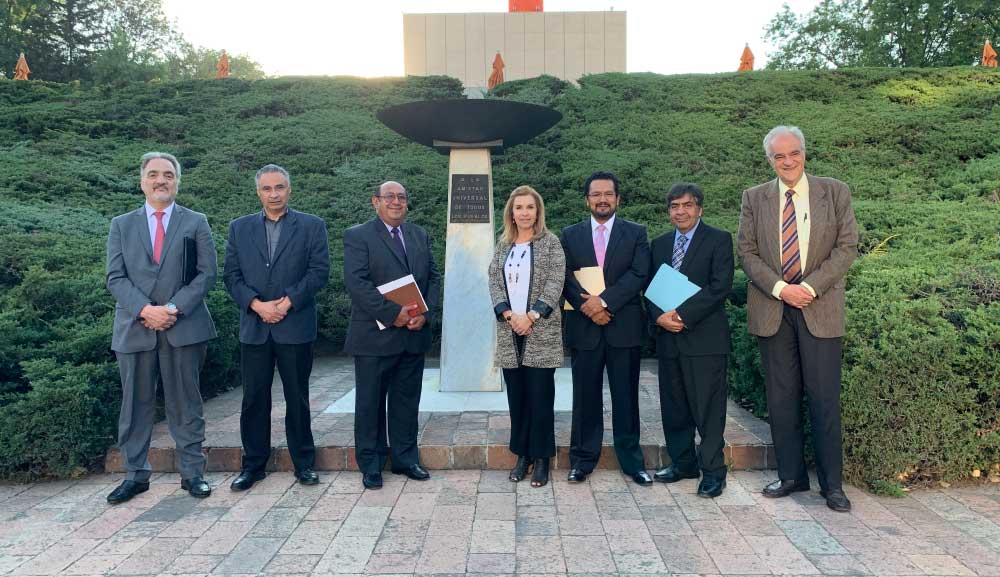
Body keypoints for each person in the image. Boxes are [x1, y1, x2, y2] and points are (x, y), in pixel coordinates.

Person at [737, 126, 858, 512]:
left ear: (805, 153)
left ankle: (832, 485)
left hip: (818, 307)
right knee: (782, 398)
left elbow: (846, 247)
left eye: (794, 154)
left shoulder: (834, 191)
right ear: (768, 160)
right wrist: (780, 288)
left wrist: (808, 287)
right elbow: (748, 252)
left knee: (824, 399)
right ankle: (791, 476)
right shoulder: (754, 198)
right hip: (773, 308)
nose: (788, 162)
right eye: (779, 156)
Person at [105, 152, 218, 503]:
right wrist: (144, 310)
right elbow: (114, 277)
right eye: (153, 174)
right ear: (142, 181)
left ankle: (193, 474)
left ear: (177, 181)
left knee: (186, 403)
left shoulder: (196, 221)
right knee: (135, 405)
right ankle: (135, 475)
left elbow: (206, 274)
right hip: (135, 328)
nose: (161, 180)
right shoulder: (121, 225)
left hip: (182, 326)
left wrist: (171, 308)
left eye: (168, 174)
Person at [223, 164, 330, 491]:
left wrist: (286, 303)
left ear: (289, 189)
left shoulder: (312, 226)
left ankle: (304, 464)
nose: (274, 194)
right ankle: (253, 465)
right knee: (254, 398)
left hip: (294, 324)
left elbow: (319, 272)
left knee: (297, 397)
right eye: (267, 189)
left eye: (279, 187)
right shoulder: (239, 228)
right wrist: (257, 305)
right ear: (258, 192)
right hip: (255, 327)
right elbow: (232, 276)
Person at [343, 181, 440, 490]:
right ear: (376, 202)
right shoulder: (358, 236)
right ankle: (371, 465)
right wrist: (392, 313)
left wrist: (424, 315)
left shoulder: (418, 235)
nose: (396, 202)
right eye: (390, 197)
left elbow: (434, 278)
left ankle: (405, 459)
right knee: (370, 403)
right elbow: (357, 283)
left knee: (406, 401)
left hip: (412, 336)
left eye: (401, 197)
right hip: (374, 336)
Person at [561, 171, 653, 486]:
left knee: (626, 396)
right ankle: (582, 460)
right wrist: (590, 308)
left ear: (617, 198)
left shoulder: (636, 233)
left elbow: (639, 273)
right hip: (584, 327)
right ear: (587, 199)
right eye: (596, 194)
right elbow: (565, 277)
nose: (603, 199)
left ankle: (632, 461)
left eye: (608, 194)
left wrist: (605, 303)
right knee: (584, 397)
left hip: (622, 327)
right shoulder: (570, 235)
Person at [648, 183, 734, 498]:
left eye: (686, 205)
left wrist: (682, 315)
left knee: (708, 410)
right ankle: (683, 463)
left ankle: (712, 471)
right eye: (674, 206)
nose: (680, 211)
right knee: (674, 407)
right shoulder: (659, 244)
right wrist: (658, 316)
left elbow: (720, 286)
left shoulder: (718, 240)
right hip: (668, 338)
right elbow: (649, 286)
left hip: (705, 340)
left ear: (699, 208)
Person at [488, 186, 565, 488]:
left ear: (538, 211)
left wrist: (532, 315)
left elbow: (556, 281)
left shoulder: (550, 243)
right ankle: (523, 455)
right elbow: (494, 280)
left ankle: (543, 458)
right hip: (510, 333)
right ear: (511, 212)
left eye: (529, 207)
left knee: (541, 398)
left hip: (540, 331)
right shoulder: (503, 244)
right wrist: (509, 315)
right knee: (517, 398)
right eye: (518, 207)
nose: (524, 213)